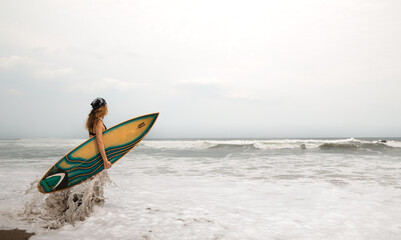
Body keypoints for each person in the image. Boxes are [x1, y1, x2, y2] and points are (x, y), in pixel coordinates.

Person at [86, 97, 112, 169]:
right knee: (102, 179)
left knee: (98, 179)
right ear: (103, 109)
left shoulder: (90, 121)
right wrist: (105, 160)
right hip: (99, 157)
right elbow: (99, 142)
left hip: (93, 155)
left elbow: (91, 139)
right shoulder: (99, 123)